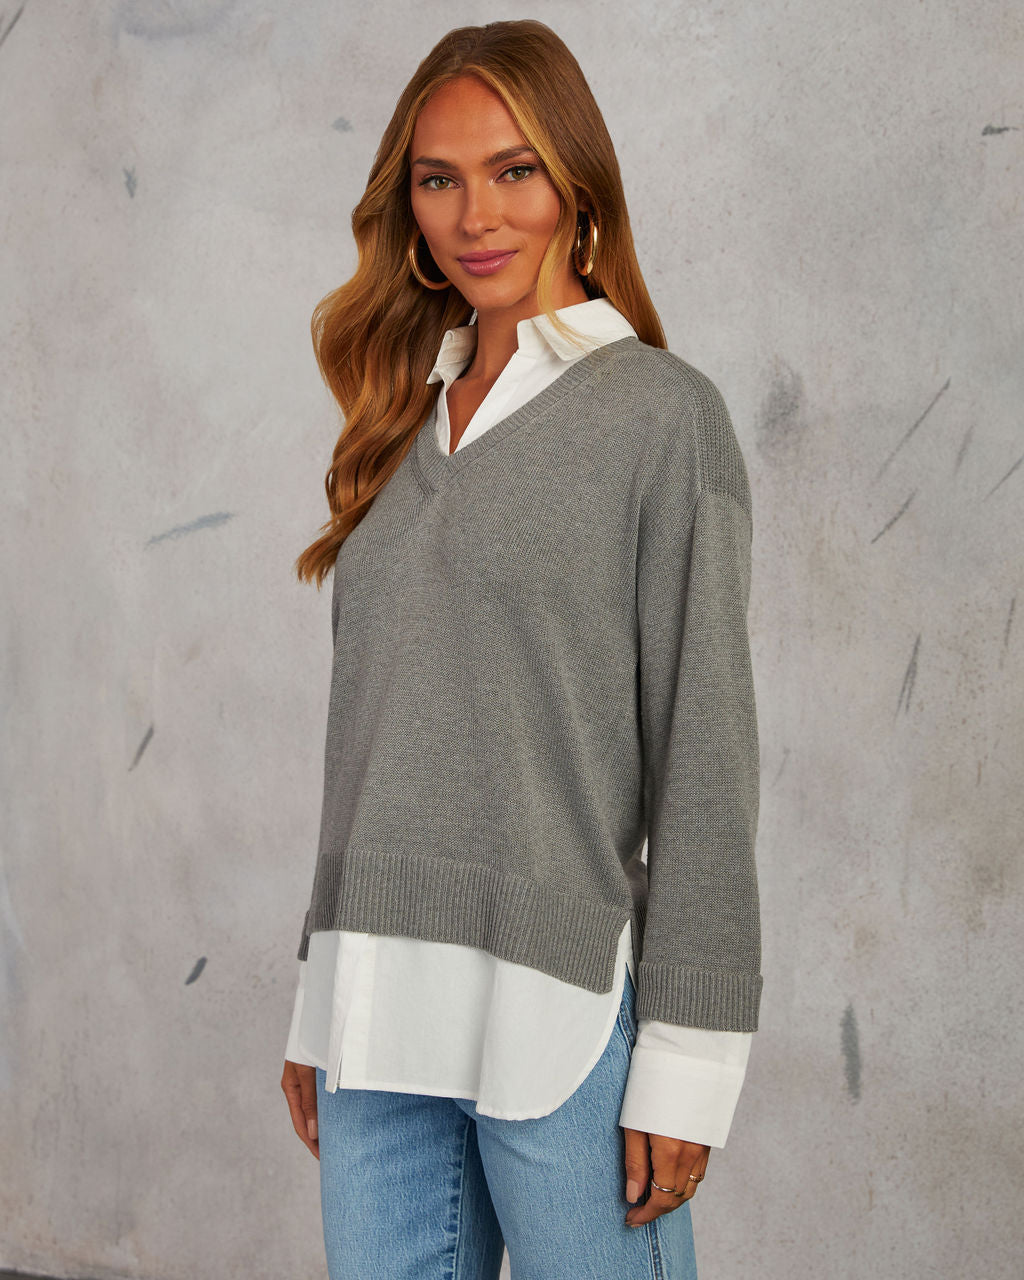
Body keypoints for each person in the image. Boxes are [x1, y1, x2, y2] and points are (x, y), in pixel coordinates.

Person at [280, 19, 763, 1280]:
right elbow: (366, 735)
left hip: (557, 1010)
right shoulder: (392, 429)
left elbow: (706, 759)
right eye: (438, 179)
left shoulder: (664, 420)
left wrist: (688, 1060)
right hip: (374, 1014)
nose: (475, 215)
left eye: (514, 170)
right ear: (407, 206)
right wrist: (316, 985)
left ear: (577, 186)